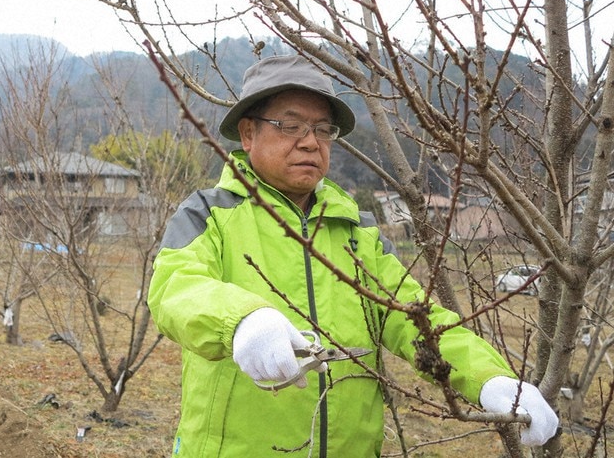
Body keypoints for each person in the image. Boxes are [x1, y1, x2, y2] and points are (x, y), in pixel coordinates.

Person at [148, 54, 558, 457]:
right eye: (290, 125)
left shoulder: (356, 231)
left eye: (323, 130)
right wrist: (240, 320)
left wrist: (491, 379)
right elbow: (175, 288)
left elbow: (413, 317)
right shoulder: (210, 213)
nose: (310, 141)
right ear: (249, 133)